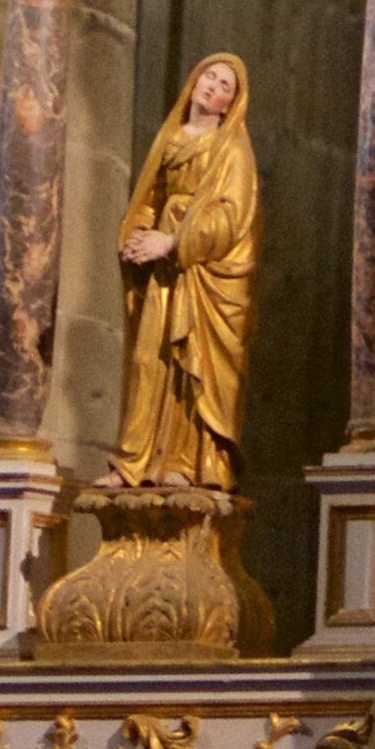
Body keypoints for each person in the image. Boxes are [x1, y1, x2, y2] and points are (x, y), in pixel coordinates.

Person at [107, 53, 261, 488]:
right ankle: (135, 463)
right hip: (164, 271)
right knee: (148, 358)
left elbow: (233, 218)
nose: (213, 85)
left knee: (193, 363)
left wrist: (173, 241)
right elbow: (150, 198)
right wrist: (138, 235)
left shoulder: (231, 148)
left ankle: (188, 464)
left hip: (203, 273)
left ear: (231, 104)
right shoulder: (171, 137)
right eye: (209, 76)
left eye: (225, 85)